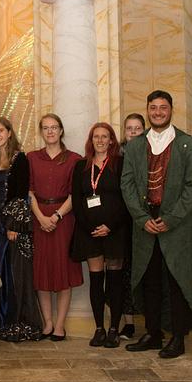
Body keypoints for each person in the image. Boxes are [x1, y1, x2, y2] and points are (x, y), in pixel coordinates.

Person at [121, 90, 192, 359]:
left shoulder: (186, 144)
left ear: (171, 110)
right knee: (150, 280)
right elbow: (127, 184)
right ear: (147, 110)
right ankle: (153, 333)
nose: (158, 112)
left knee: (176, 281)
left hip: (175, 225)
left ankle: (177, 337)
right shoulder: (135, 146)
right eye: (153, 107)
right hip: (145, 224)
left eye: (163, 107)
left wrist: (171, 219)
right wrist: (142, 219)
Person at [0, 116, 43, 342]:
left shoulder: (19, 158)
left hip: (11, 226)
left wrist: (13, 225)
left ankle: (13, 321)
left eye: (0, 131)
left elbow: (21, 193)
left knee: (12, 273)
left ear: (9, 133)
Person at [71, 123, 130, 348]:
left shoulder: (120, 164)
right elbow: (77, 200)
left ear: (112, 140)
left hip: (115, 231)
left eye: (105, 136)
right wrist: (90, 228)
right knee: (96, 280)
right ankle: (99, 328)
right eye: (96, 136)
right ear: (91, 140)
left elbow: (126, 199)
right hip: (89, 232)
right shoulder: (81, 166)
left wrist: (110, 226)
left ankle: (114, 329)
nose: (100, 140)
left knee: (115, 280)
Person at [27, 113, 82, 341]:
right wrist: (40, 217)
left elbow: (75, 194)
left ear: (61, 131)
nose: (50, 131)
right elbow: (29, 191)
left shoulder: (75, 159)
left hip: (64, 220)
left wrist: (57, 216)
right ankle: (47, 323)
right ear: (41, 132)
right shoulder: (31, 157)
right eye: (46, 128)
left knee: (63, 271)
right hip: (38, 218)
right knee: (41, 272)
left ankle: (60, 325)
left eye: (54, 127)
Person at [118, 113, 146, 339]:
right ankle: (128, 323)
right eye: (129, 128)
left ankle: (153, 322)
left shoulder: (152, 152)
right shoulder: (116, 156)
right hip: (122, 222)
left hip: (146, 220)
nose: (133, 132)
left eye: (137, 128)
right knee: (125, 273)